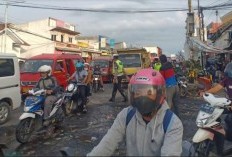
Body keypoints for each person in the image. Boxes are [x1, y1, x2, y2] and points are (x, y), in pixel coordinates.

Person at [87, 68, 183, 156]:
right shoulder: (126, 115)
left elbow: (170, 153)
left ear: (159, 94)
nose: (143, 98)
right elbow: (107, 144)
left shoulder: (172, 123)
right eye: (138, 93)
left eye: (149, 93)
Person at [200, 62, 232, 156]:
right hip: (228, 103)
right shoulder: (227, 79)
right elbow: (217, 88)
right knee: (213, 112)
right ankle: (212, 137)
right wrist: (206, 92)